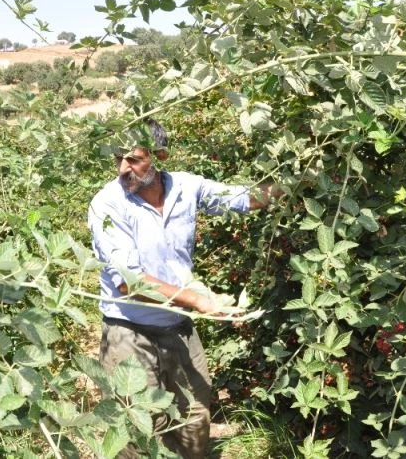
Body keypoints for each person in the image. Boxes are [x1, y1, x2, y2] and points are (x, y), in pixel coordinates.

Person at [87, 119, 281, 459]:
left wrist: (300, 180)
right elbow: (129, 282)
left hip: (177, 324)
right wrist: (198, 301)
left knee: (194, 415)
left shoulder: (186, 187)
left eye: (133, 159)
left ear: (159, 155)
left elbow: (244, 198)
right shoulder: (107, 205)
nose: (123, 168)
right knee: (136, 425)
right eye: (118, 158)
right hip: (128, 328)